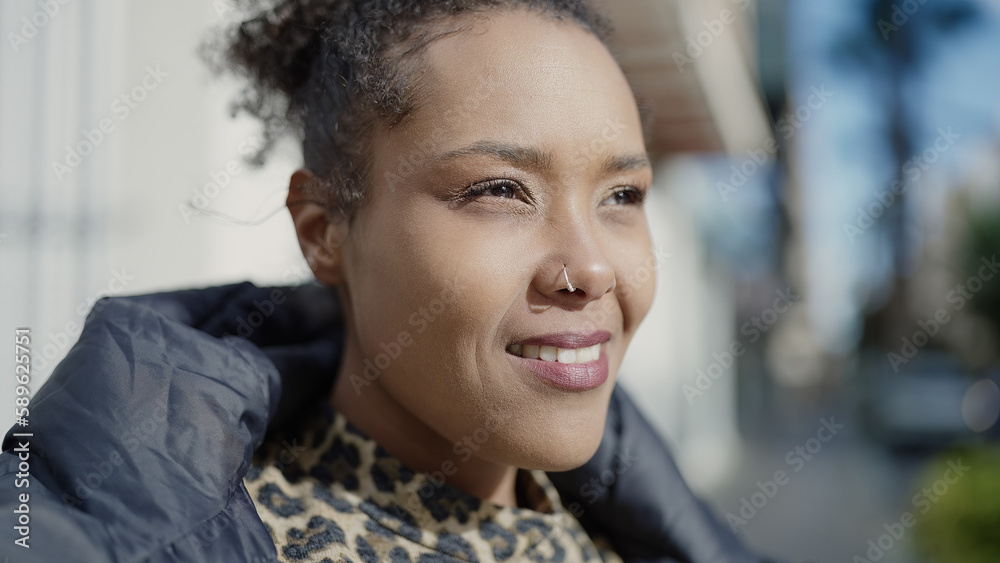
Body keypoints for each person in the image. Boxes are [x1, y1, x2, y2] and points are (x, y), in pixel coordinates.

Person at [0, 1, 772, 561]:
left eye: (623, 196)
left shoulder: (641, 534)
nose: (594, 266)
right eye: (499, 189)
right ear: (324, 231)